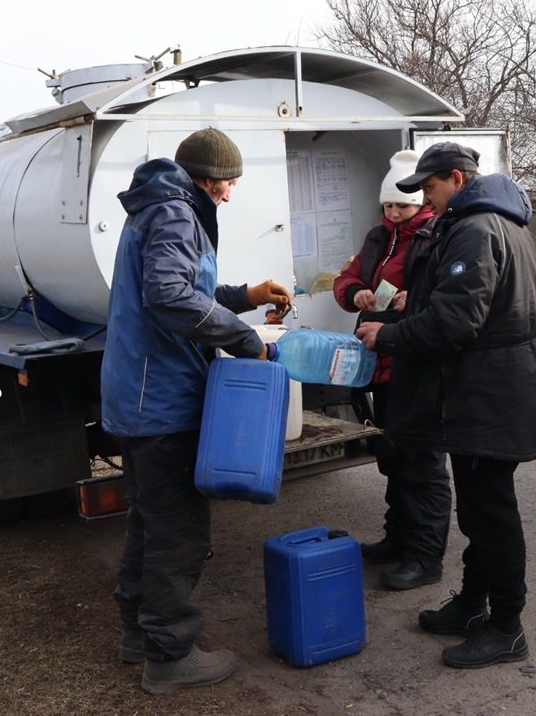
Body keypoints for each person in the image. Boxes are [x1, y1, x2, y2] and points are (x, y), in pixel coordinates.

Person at [101, 127, 291, 695]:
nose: (230, 196)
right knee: (178, 533)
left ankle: (138, 632)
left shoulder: (158, 205)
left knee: (150, 521)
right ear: (209, 180)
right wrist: (246, 338)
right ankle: (169, 654)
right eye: (229, 185)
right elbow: (170, 296)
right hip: (159, 400)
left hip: (137, 397)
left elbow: (183, 287)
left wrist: (244, 294)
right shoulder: (178, 212)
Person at [355, 142, 536, 670]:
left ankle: (507, 627)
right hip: (490, 388)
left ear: (457, 180)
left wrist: (390, 335)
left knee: (491, 513)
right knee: (479, 508)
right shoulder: (496, 222)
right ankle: (471, 604)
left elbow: (455, 321)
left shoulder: (476, 227)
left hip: (489, 393)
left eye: (429, 186)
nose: (424, 197)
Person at [332, 149, 450, 591]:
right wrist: (358, 292)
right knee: (394, 458)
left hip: (414, 361)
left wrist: (412, 297)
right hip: (378, 364)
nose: (396, 213)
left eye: (404, 205)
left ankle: (425, 555)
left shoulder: (435, 236)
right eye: (389, 205)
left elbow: (444, 296)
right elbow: (345, 279)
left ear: (421, 202)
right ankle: (398, 538)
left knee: (422, 463)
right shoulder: (377, 238)